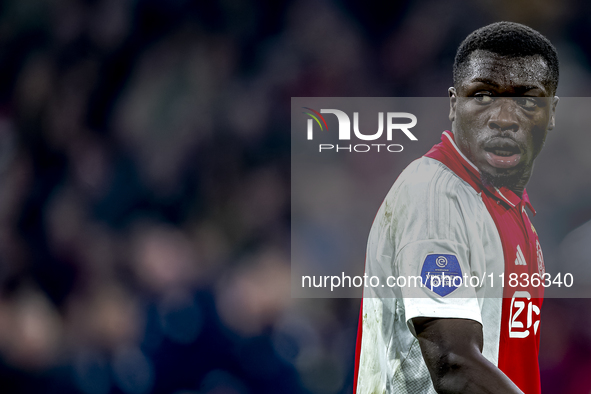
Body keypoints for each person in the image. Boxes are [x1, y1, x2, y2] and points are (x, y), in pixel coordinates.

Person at [353, 22, 559, 394]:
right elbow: (453, 365)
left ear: (552, 113)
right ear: (454, 105)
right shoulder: (435, 197)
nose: (504, 117)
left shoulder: (511, 207)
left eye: (528, 101)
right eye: (482, 96)